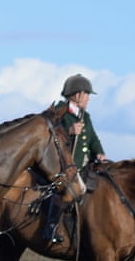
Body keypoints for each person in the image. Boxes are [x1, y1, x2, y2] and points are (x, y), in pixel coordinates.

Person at [43, 73, 107, 245]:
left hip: (84, 166)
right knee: (68, 191)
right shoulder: (59, 113)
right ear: (77, 95)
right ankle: (51, 227)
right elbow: (52, 138)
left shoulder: (85, 116)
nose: (88, 99)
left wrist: (99, 153)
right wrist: (69, 132)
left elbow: (93, 139)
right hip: (64, 166)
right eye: (87, 95)